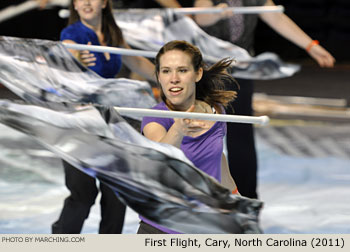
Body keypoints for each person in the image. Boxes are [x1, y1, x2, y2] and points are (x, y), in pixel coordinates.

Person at [193, 0, 336, 199]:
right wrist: (216, 13)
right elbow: (201, 16)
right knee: (199, 133)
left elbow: (276, 16)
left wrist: (311, 46)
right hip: (208, 72)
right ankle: (198, 196)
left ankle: (246, 199)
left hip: (241, 70)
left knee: (241, 135)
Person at [52, 0, 155, 234]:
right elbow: (67, 51)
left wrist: (167, 77)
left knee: (116, 192)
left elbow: (136, 62)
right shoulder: (71, 33)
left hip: (111, 122)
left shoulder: (112, 34)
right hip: (78, 123)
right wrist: (75, 57)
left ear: (105, 3)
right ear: (74, 6)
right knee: (83, 193)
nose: (87, 2)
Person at [138, 40, 239, 234]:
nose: (173, 78)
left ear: (198, 74)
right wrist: (178, 129)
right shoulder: (155, 117)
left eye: (182, 70)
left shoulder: (217, 111)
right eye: (166, 71)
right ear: (158, 76)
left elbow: (218, 160)